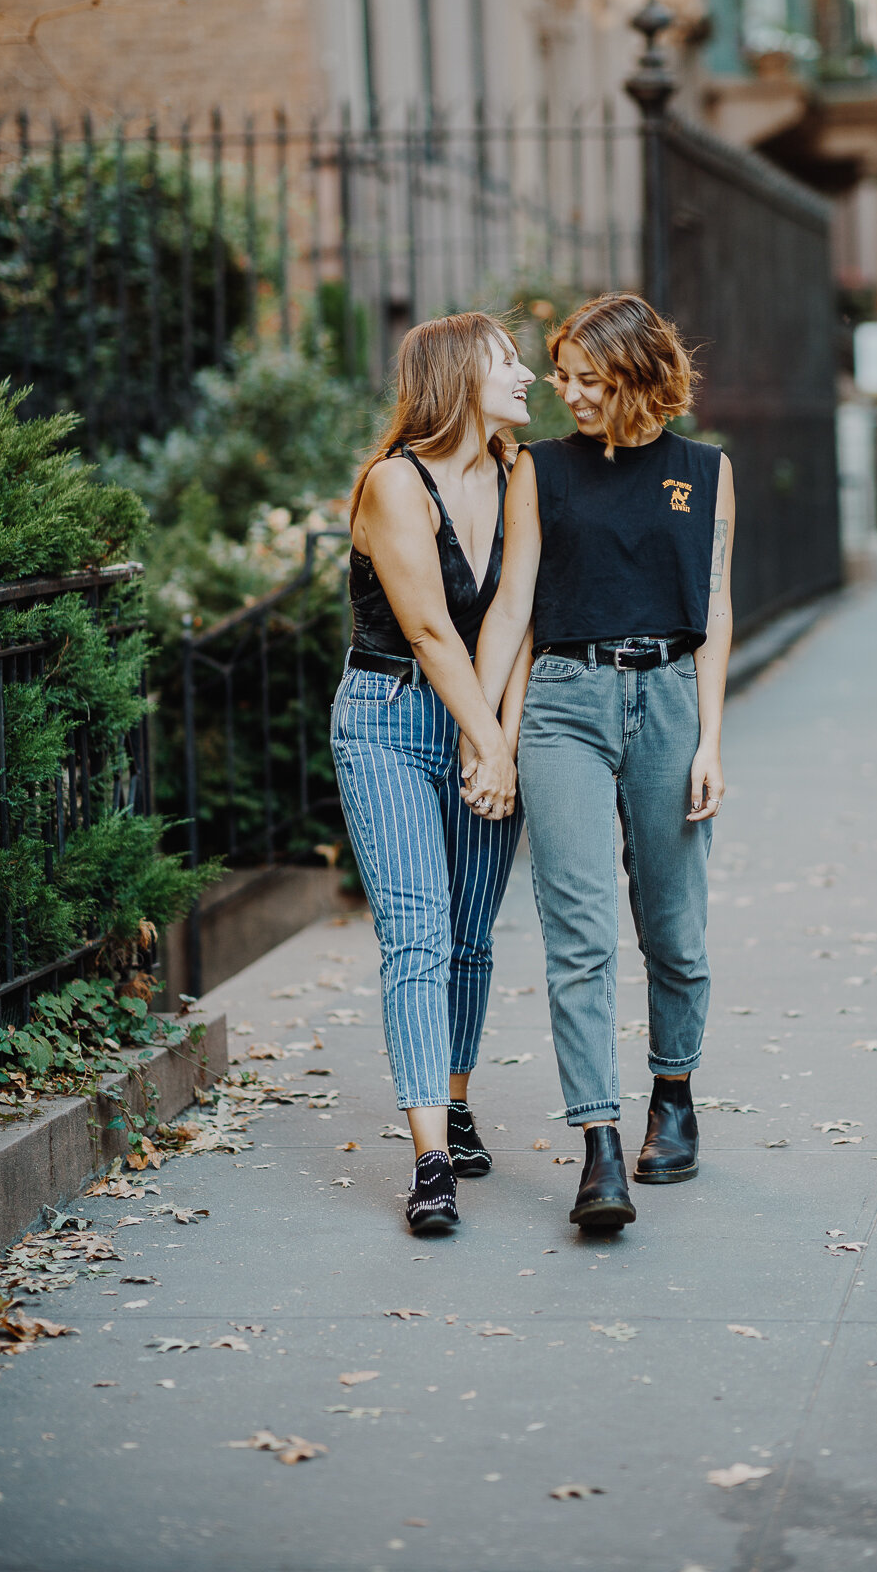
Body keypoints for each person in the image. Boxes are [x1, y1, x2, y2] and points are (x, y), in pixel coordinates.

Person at [475, 292, 735, 1232]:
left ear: (633, 376)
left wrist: (709, 737)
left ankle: (673, 1097)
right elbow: (513, 607)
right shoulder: (539, 470)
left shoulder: (705, 473)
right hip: (564, 706)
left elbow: (714, 607)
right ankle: (598, 1149)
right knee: (578, 936)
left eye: (587, 380)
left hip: (668, 698)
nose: (567, 393)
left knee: (673, 926)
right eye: (562, 376)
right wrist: (490, 733)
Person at [331, 313, 535, 1236]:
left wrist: (498, 734)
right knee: (416, 934)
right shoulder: (391, 483)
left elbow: (522, 618)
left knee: (470, 939)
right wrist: (484, 743)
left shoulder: (519, 472)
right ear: (459, 376)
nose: (526, 374)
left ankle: (454, 1099)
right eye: (508, 360)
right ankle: (429, 1159)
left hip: (484, 711)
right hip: (387, 718)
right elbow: (425, 629)